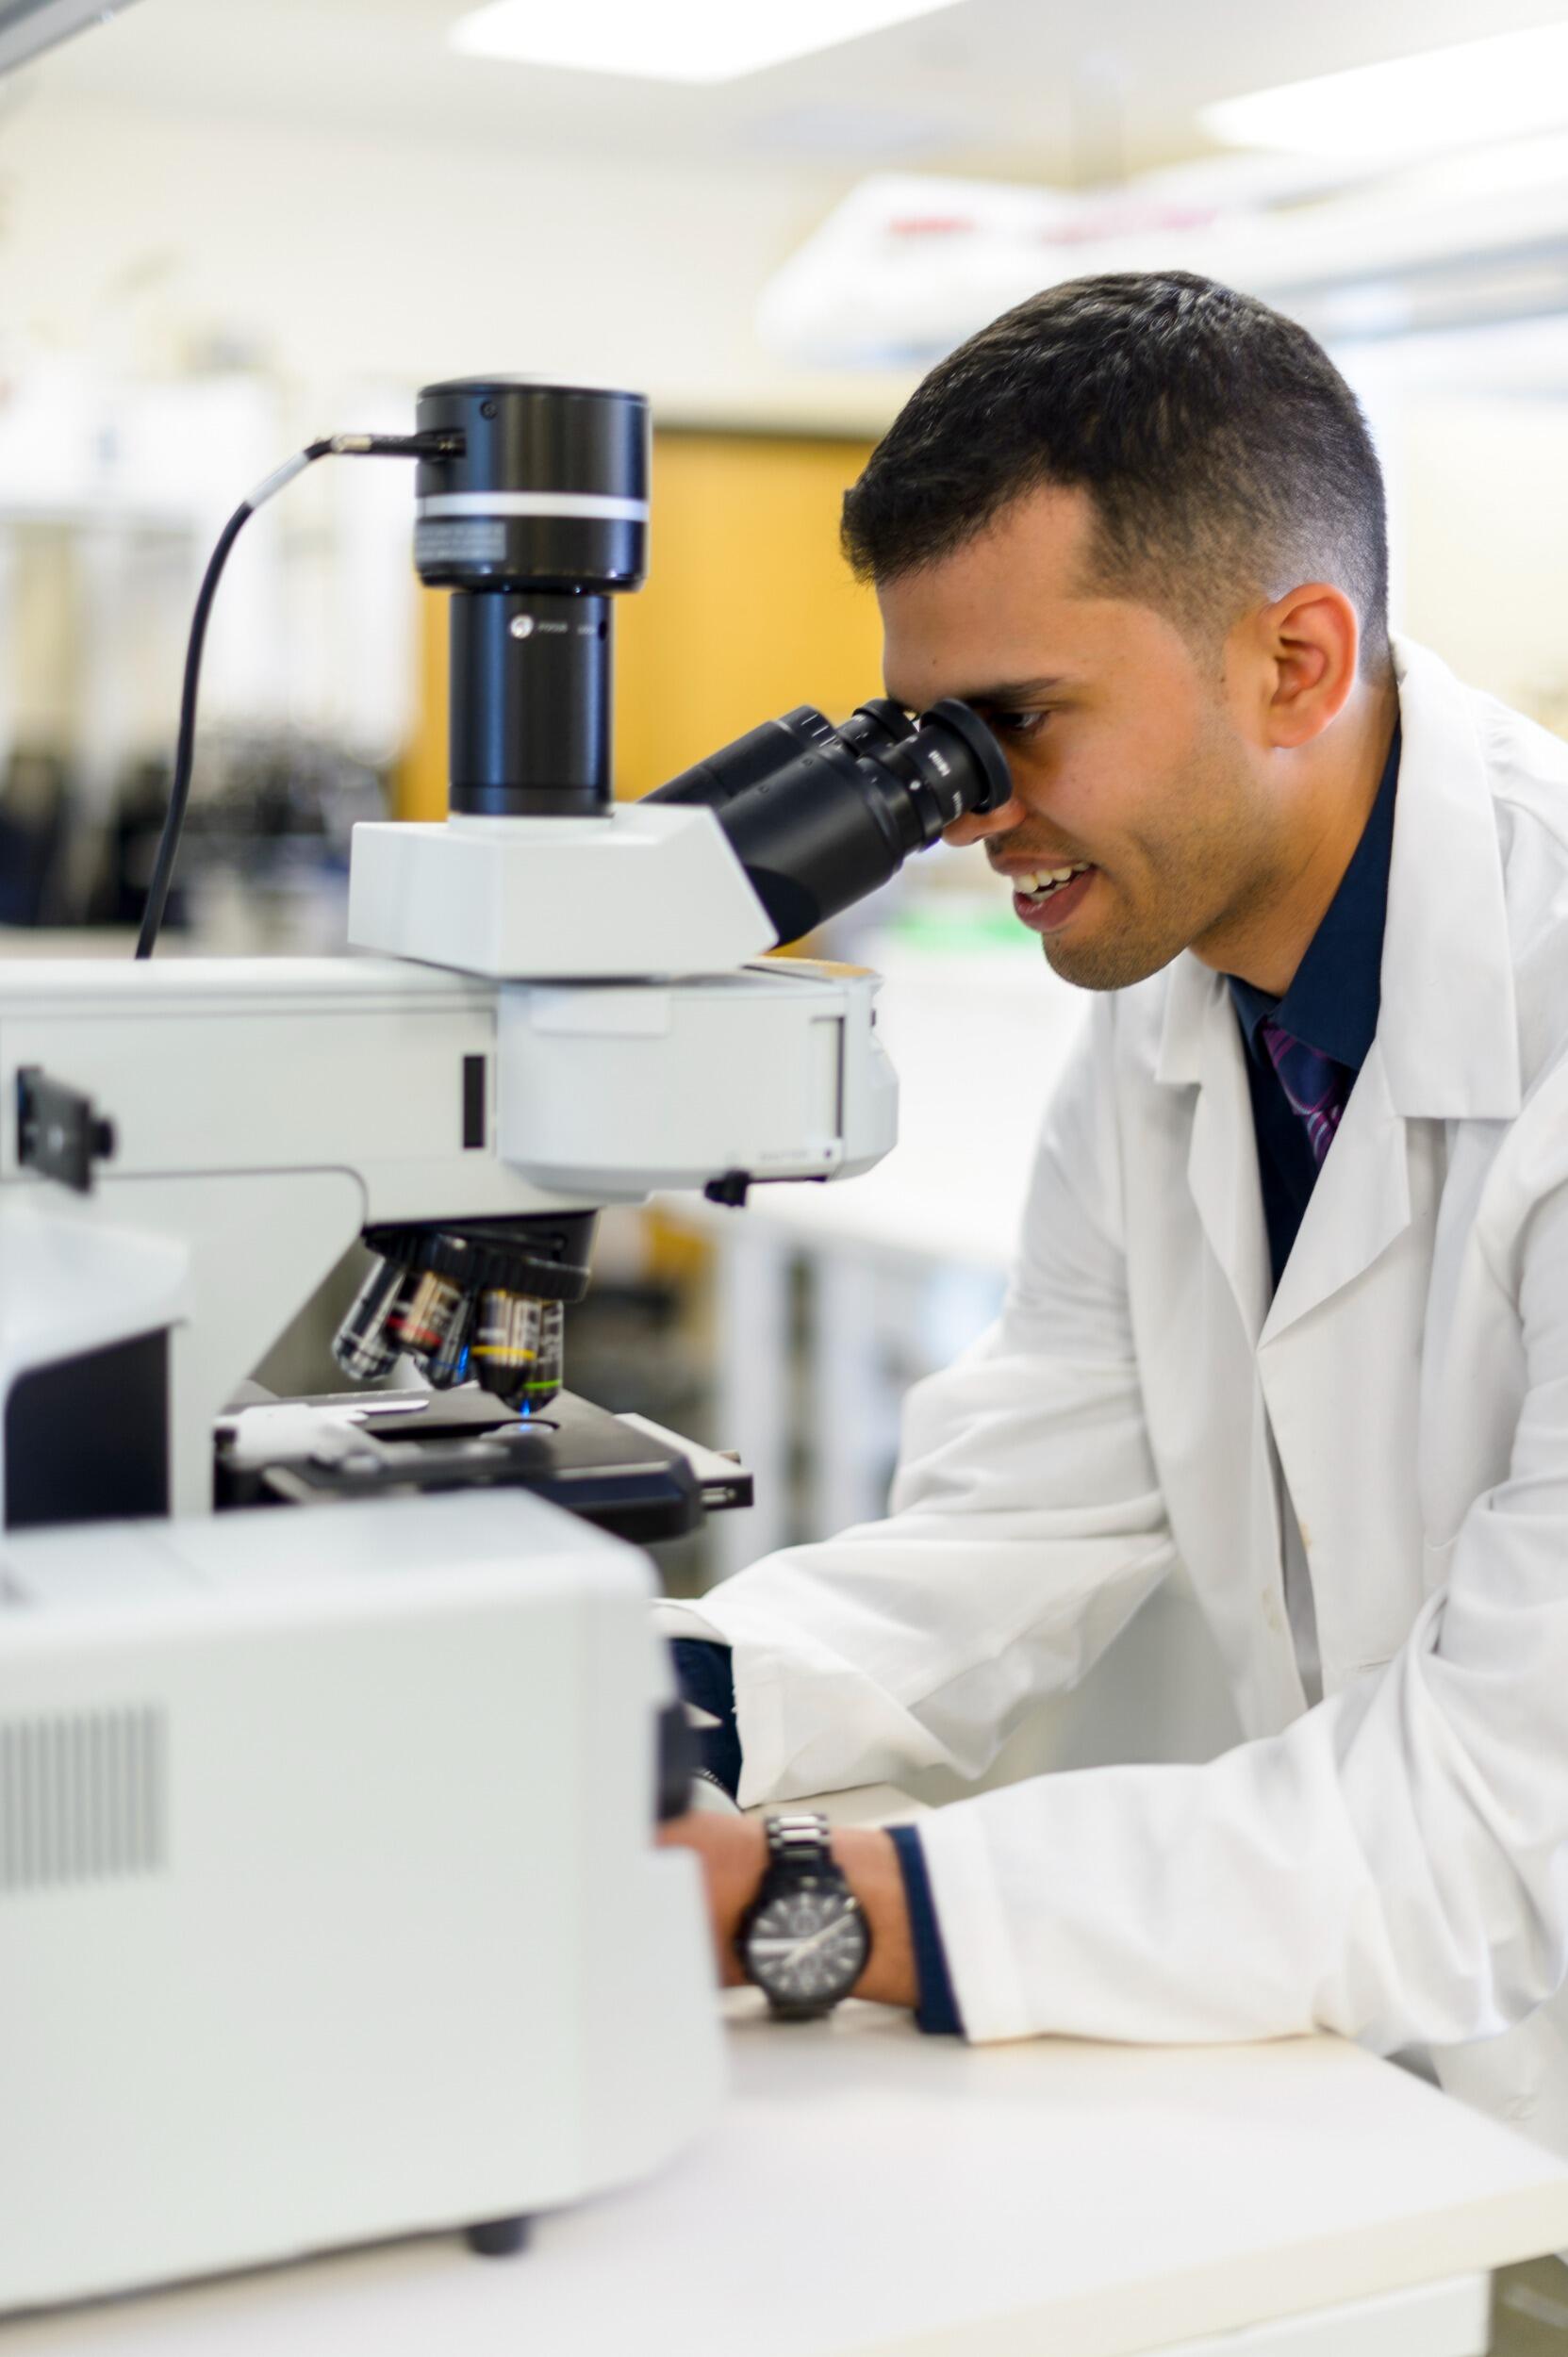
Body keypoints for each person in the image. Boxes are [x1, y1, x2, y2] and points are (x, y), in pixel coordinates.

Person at [656, 269, 1568, 2153]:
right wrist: (639, 1711)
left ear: (1296, 661)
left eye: (1019, 724)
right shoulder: (1173, 1007)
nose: (964, 814)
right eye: (927, 742)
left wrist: (798, 1897)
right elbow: (1017, 1524)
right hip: (1405, 2075)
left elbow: (1479, 1810)